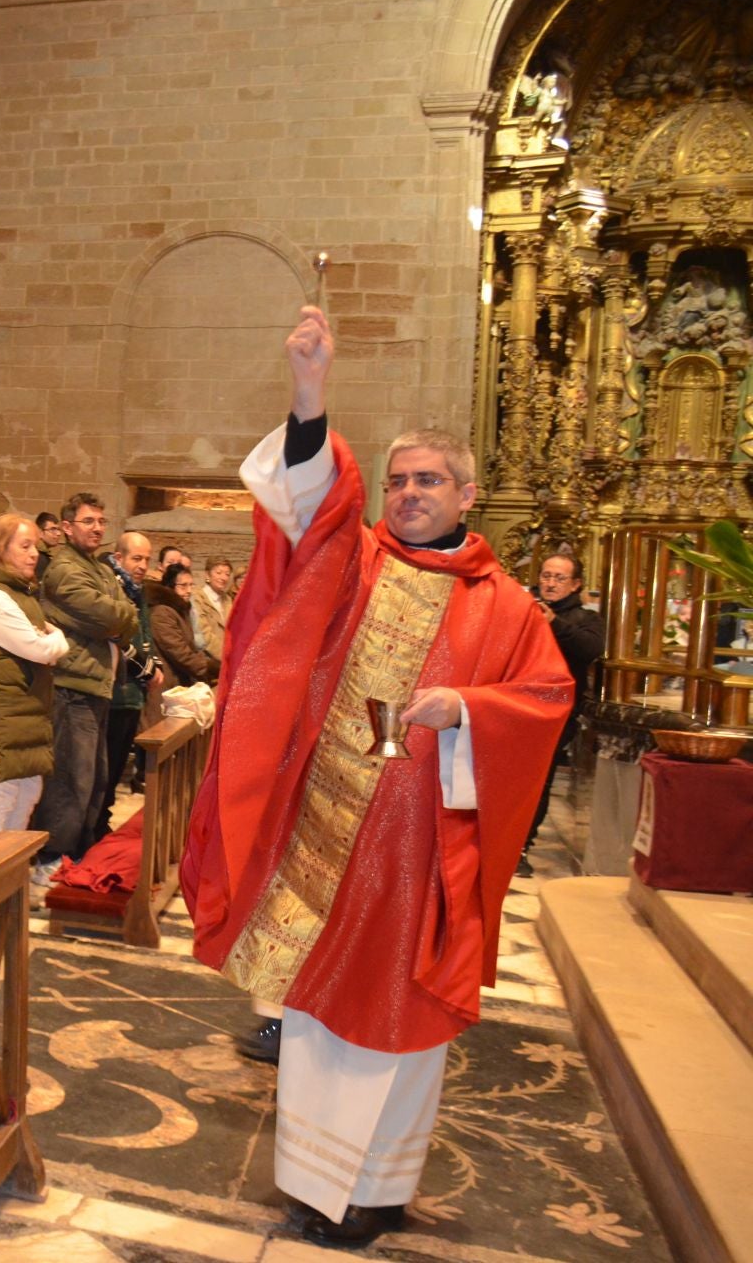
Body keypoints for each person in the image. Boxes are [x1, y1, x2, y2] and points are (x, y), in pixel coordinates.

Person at [180, 306, 571, 1248]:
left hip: (425, 853)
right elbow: (309, 518)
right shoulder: (356, 564)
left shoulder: (509, 606)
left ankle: (383, 1186)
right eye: (396, 481)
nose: (407, 494)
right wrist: (310, 395)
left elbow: (547, 699)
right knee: (320, 1019)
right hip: (330, 837)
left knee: (405, 1023)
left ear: (467, 495)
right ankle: (319, 1188)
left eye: (428, 480)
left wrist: (470, 709)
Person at [28, 492, 137, 879]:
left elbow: (124, 612)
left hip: (96, 683)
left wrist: (120, 616)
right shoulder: (63, 568)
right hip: (72, 686)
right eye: (88, 521)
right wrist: (120, 617)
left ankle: (79, 849)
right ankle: (50, 856)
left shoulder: (99, 568)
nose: (97, 528)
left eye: (101, 522)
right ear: (67, 527)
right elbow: (108, 615)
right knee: (71, 778)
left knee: (96, 778)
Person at [0, 513, 67, 837]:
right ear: (2, 549)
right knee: (2, 797)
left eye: (35, 545)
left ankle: (11, 876)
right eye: (25, 545)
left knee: (29, 794)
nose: (35, 553)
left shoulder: (16, 591)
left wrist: (51, 638)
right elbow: (39, 648)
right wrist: (58, 638)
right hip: (2, 711)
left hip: (25, 708)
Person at [527, 552, 604, 851]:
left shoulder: (587, 619)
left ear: (575, 585)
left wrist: (553, 622)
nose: (550, 583)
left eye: (559, 578)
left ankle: (522, 845)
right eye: (546, 575)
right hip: (512, 703)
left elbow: (589, 649)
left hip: (555, 710)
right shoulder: (523, 608)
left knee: (538, 780)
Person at [102, 530, 160, 802]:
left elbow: (144, 633)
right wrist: (146, 669)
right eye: (136, 558)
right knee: (104, 770)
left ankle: (103, 821)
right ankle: (96, 829)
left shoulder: (138, 589)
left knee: (115, 768)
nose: (143, 566)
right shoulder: (111, 586)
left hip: (133, 693)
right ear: (118, 557)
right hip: (115, 693)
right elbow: (116, 635)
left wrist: (153, 663)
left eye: (147, 559)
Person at [146, 561, 219, 687]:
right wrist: (209, 668)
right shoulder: (162, 612)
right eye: (183, 586)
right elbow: (180, 653)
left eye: (191, 585)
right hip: (169, 683)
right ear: (170, 586)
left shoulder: (180, 609)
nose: (189, 590)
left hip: (181, 680)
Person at [192, 558, 235, 665]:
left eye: (227, 574)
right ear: (207, 575)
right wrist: (226, 656)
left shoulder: (227, 599)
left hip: (229, 658)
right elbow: (204, 633)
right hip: (208, 660)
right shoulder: (197, 597)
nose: (223, 577)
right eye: (218, 573)